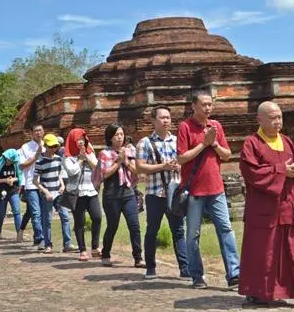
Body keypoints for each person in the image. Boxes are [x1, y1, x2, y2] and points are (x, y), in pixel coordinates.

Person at [239, 101, 294, 311]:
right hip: (264, 211)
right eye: (272, 117)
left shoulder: (286, 141)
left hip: (287, 206)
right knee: (263, 253)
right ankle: (260, 292)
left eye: (279, 117)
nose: (278, 121)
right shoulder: (251, 144)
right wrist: (281, 171)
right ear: (260, 119)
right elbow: (251, 173)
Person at [177, 90, 239, 289]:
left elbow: (227, 155)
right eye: (204, 104)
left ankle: (234, 273)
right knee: (193, 235)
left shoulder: (216, 126)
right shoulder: (185, 127)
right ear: (193, 106)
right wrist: (204, 144)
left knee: (226, 229)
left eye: (210, 104)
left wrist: (214, 144)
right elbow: (181, 158)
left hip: (216, 188)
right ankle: (197, 275)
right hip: (194, 191)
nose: (208, 108)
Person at [136, 105, 189, 279]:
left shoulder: (177, 141)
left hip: (175, 192)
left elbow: (185, 160)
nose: (166, 121)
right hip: (155, 193)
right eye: (162, 117)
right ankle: (150, 267)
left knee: (179, 230)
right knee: (152, 230)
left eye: (168, 117)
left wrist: (179, 165)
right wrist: (163, 166)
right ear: (153, 120)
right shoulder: (145, 142)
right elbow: (140, 167)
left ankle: (185, 268)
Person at [98, 123, 144, 268]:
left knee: (134, 225)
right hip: (111, 194)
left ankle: (138, 257)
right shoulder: (105, 154)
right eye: (116, 135)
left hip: (128, 192)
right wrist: (118, 162)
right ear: (110, 137)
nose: (119, 137)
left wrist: (126, 161)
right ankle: (105, 253)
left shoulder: (130, 150)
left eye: (121, 134)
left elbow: (137, 172)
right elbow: (104, 174)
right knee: (112, 226)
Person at [62, 128, 102, 261]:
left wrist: (87, 156)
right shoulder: (68, 156)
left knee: (97, 217)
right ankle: (82, 249)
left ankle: (95, 247)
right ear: (73, 141)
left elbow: (97, 167)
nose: (81, 141)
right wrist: (80, 159)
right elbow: (71, 171)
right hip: (76, 192)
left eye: (83, 139)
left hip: (91, 190)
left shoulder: (90, 153)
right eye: (78, 139)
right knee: (80, 222)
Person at [34, 133, 75, 253]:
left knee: (65, 217)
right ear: (45, 146)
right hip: (47, 193)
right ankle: (48, 244)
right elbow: (35, 181)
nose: (53, 149)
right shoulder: (40, 161)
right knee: (47, 220)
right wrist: (46, 192)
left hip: (58, 192)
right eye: (51, 147)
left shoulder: (58, 159)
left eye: (55, 146)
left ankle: (67, 244)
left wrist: (62, 185)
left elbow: (59, 175)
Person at [17, 124, 45, 246]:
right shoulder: (25, 147)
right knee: (35, 212)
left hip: (45, 184)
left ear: (43, 132)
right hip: (31, 184)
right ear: (32, 133)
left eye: (40, 130)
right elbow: (22, 165)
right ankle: (40, 238)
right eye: (36, 131)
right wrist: (37, 154)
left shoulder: (47, 144)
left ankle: (37, 237)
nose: (38, 133)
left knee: (44, 213)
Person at [0, 149, 23, 239]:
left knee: (17, 211)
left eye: (13, 161)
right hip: (1, 192)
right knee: (2, 213)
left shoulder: (15, 165)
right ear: (5, 158)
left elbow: (19, 176)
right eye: (9, 160)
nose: (11, 162)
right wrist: (5, 180)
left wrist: (13, 180)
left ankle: (19, 233)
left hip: (13, 190)